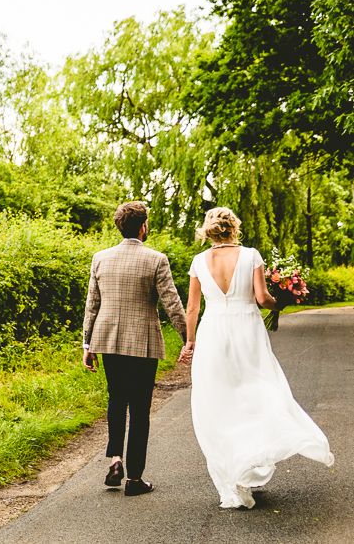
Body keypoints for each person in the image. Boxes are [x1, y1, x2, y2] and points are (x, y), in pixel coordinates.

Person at [179, 207, 335, 509]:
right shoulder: (251, 255)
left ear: (209, 230)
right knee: (258, 392)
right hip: (247, 330)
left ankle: (236, 469)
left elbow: (192, 309)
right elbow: (262, 299)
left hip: (213, 332)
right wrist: (281, 303)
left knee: (220, 400)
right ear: (233, 228)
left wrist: (190, 341)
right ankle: (249, 466)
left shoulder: (198, 261)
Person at [82, 201, 187, 496]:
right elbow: (172, 304)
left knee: (116, 399)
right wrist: (189, 338)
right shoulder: (156, 259)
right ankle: (135, 479)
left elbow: (92, 304)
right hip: (143, 341)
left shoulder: (101, 258)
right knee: (140, 409)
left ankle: (115, 461)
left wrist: (87, 344)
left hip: (108, 340)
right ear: (143, 227)